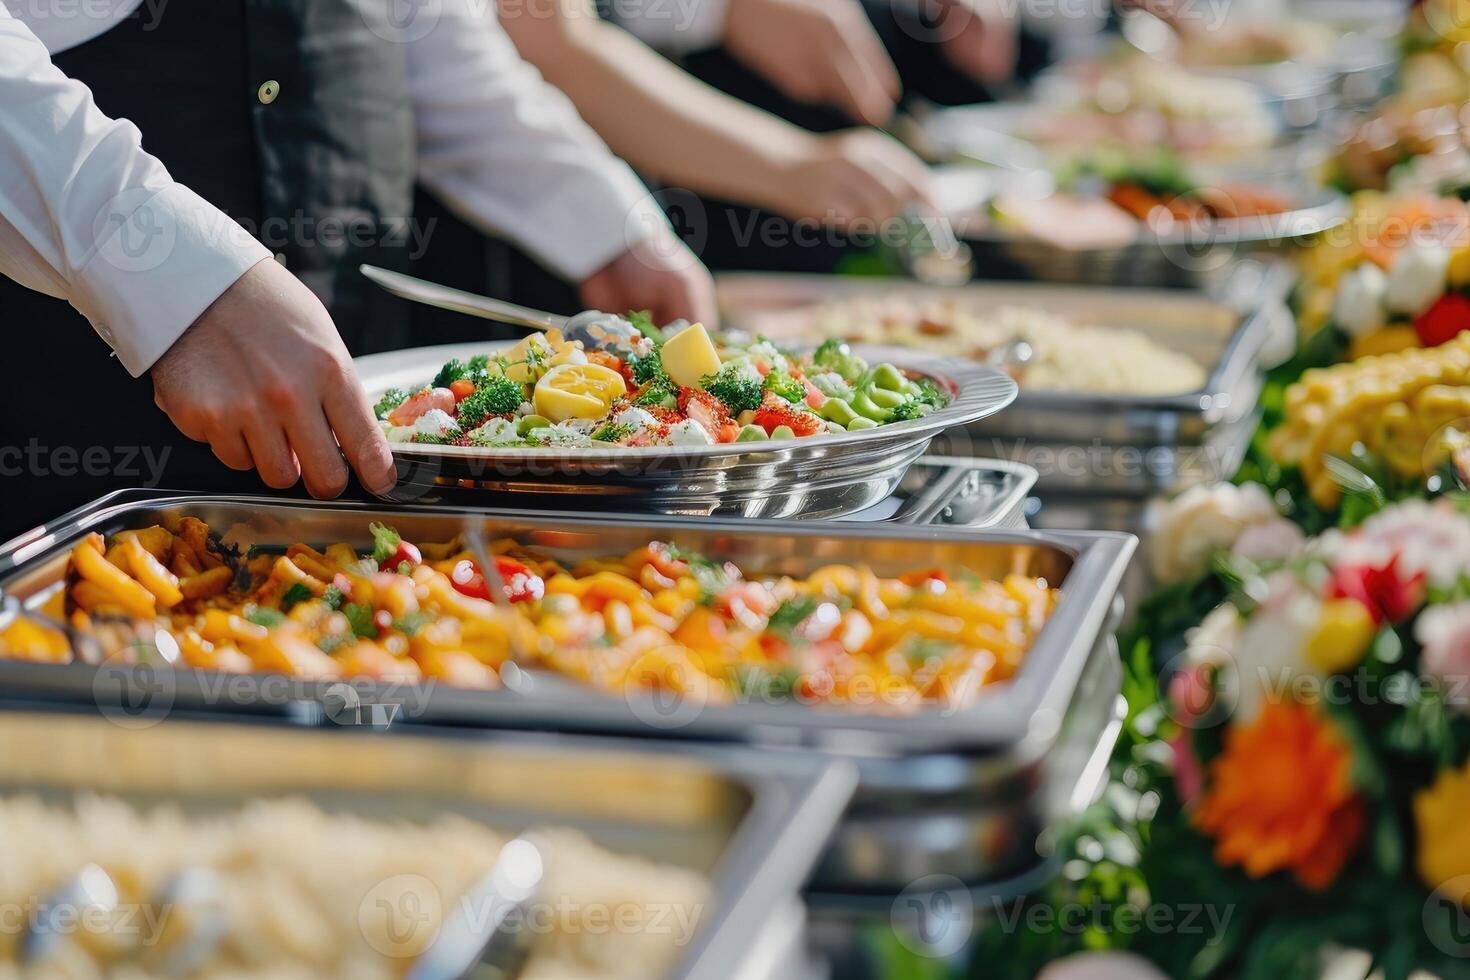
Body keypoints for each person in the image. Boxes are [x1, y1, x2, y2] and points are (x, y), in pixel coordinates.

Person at [0, 0, 713, 537]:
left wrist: (606, 226)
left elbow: (429, 29)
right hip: (71, 423)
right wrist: (176, 276)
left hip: (359, 463)